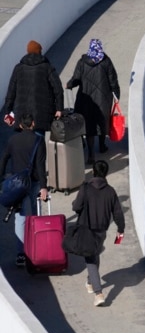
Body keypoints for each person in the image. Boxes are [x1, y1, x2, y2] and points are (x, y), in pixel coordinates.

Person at [72, 160, 125, 307]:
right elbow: (118, 213)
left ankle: (98, 293)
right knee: (94, 254)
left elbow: (76, 207)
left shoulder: (85, 188)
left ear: (94, 172)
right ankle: (90, 282)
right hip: (102, 230)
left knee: (90, 259)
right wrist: (120, 231)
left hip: (86, 228)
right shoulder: (111, 191)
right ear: (106, 173)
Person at [0, 114, 47, 267]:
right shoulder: (39, 140)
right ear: (33, 123)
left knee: (20, 218)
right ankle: (34, 247)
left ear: (20, 125)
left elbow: (4, 158)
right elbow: (41, 166)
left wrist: (1, 178)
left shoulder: (13, 140)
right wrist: (44, 187)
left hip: (17, 183)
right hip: (32, 182)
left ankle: (21, 253)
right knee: (33, 214)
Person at [66, 39, 120, 164]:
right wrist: (117, 94)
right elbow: (113, 80)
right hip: (103, 99)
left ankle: (91, 154)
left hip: (86, 99)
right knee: (102, 122)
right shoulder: (106, 61)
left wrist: (69, 84)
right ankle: (102, 146)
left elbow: (76, 78)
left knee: (89, 125)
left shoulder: (82, 62)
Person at [3, 40, 63, 133]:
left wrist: (8, 112)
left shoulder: (18, 68)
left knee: (23, 143)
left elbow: (11, 91)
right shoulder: (47, 67)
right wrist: (59, 108)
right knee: (38, 142)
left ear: (27, 52)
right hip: (42, 115)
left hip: (21, 116)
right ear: (40, 52)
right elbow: (58, 89)